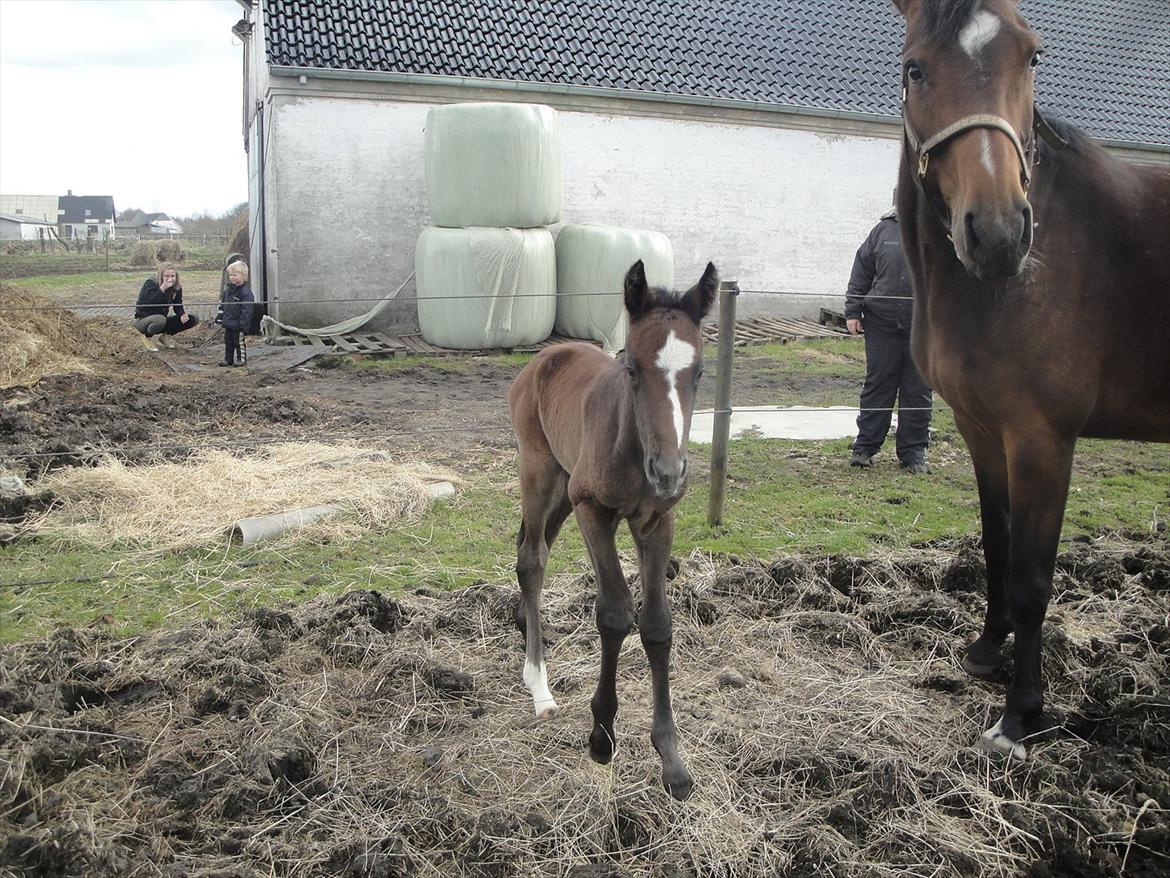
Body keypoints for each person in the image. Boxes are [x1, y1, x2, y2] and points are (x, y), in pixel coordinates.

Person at [844, 201, 933, 473]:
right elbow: (861, 272)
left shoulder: (938, 232)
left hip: (923, 325)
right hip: (881, 322)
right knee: (878, 384)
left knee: (918, 389)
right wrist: (853, 310)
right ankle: (865, 448)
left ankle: (914, 453)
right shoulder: (881, 231)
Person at [133, 263, 199, 351]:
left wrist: (182, 314)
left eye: (173, 276)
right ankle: (147, 338)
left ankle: (165, 337)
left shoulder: (176, 287)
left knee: (192, 319)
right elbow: (150, 302)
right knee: (160, 319)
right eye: (166, 276)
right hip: (144, 320)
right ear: (161, 276)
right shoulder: (150, 283)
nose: (170, 279)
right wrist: (162, 289)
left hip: (161, 320)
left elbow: (177, 304)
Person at [216, 260, 254, 367]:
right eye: (230, 275)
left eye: (235, 275)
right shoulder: (227, 291)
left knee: (239, 343)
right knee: (228, 342)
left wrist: (243, 324)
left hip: (238, 324)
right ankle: (228, 359)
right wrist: (220, 317)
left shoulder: (246, 293)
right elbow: (222, 305)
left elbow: (247, 310)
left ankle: (241, 359)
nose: (232, 277)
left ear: (243, 276)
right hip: (228, 322)